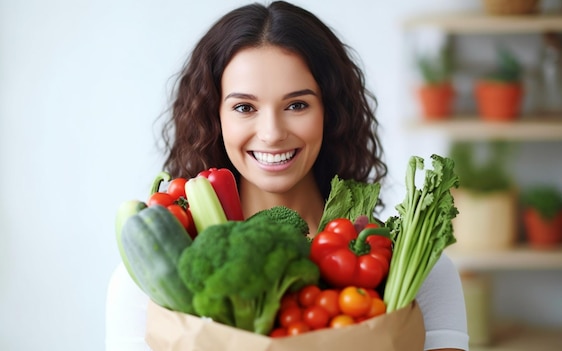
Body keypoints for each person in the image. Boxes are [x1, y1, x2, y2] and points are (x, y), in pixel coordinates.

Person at [106, 1, 469, 350]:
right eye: (244, 107)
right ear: (214, 117)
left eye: (297, 105)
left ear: (331, 112)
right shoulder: (144, 284)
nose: (272, 132)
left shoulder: (422, 270)